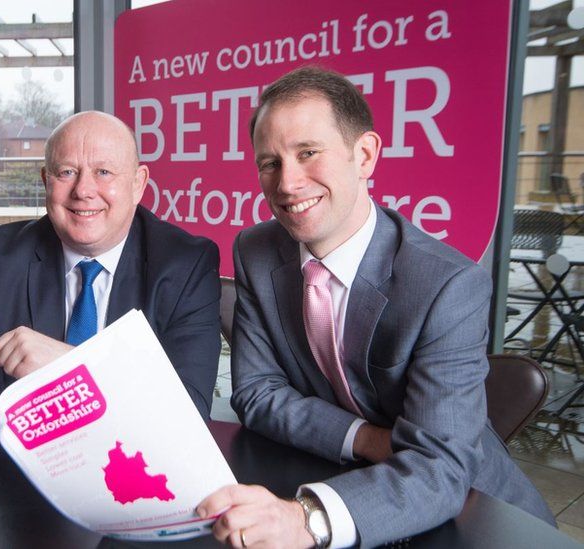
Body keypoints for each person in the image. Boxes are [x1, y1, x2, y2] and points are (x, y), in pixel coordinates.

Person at [196, 66, 553, 548]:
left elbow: (440, 468)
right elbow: (258, 394)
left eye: (307, 153)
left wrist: (306, 521)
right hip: (337, 469)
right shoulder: (256, 251)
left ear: (364, 155)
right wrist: (368, 439)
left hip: (471, 513)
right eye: (270, 163)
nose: (287, 182)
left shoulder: (448, 285)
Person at [0, 110, 221, 497]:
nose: (83, 191)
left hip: (138, 480)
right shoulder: (0, 255)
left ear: (138, 184)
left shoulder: (186, 263)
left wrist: (68, 369)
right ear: (45, 181)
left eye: (104, 172)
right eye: (66, 172)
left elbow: (188, 409)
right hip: (21, 483)